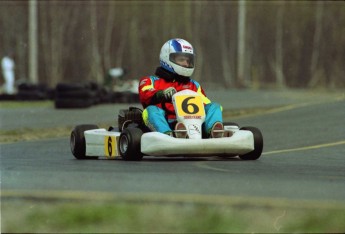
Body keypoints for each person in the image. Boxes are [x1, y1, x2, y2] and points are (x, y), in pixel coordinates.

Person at [138, 38, 224, 138]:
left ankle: (214, 132)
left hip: (194, 123)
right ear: (167, 58)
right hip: (166, 121)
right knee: (151, 110)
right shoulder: (150, 81)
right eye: (181, 59)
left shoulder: (194, 85)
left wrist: (213, 111)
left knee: (214, 106)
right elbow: (145, 94)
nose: (186, 64)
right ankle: (167, 135)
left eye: (188, 60)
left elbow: (206, 103)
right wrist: (161, 94)